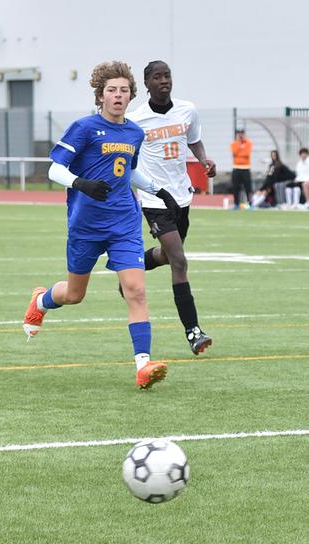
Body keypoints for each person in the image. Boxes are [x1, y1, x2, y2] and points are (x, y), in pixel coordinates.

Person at [23, 60, 177, 389]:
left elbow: (128, 171)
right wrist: (81, 183)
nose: (118, 96)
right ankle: (40, 300)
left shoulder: (134, 132)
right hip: (86, 225)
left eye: (124, 90)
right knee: (75, 294)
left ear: (131, 95)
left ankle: (143, 365)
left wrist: (157, 190)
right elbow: (53, 170)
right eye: (112, 90)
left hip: (124, 222)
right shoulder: (84, 128)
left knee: (136, 290)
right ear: (101, 95)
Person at [125, 60, 215, 355]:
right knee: (179, 260)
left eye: (168, 76)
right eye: (158, 77)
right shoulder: (135, 119)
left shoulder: (187, 110)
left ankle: (131, 270)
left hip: (182, 197)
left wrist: (203, 160)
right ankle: (193, 332)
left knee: (166, 255)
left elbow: (194, 140)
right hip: (154, 199)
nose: (164, 81)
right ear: (147, 83)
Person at [230, 128, 253, 208]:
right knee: (236, 187)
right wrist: (240, 145)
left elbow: (246, 154)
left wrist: (241, 150)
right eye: (239, 133)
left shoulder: (248, 143)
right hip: (236, 168)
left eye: (242, 133)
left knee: (248, 187)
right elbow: (234, 152)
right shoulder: (234, 143)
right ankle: (236, 204)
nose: (240, 135)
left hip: (246, 168)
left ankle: (250, 204)